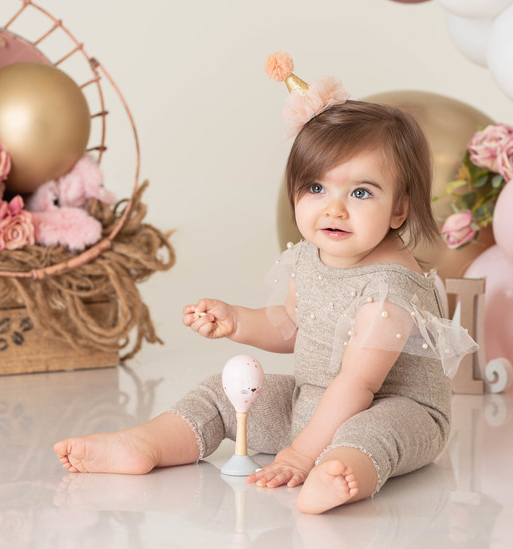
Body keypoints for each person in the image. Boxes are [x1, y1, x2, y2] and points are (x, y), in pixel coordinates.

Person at [54, 53, 474, 515]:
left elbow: (357, 384)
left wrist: (301, 454)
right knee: (223, 392)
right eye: (316, 188)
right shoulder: (311, 257)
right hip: (311, 401)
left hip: (394, 409)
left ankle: (340, 475)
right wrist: (236, 321)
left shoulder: (390, 291)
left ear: (399, 209)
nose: (333, 208)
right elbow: (291, 324)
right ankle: (145, 444)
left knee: (372, 433)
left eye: (360, 192)